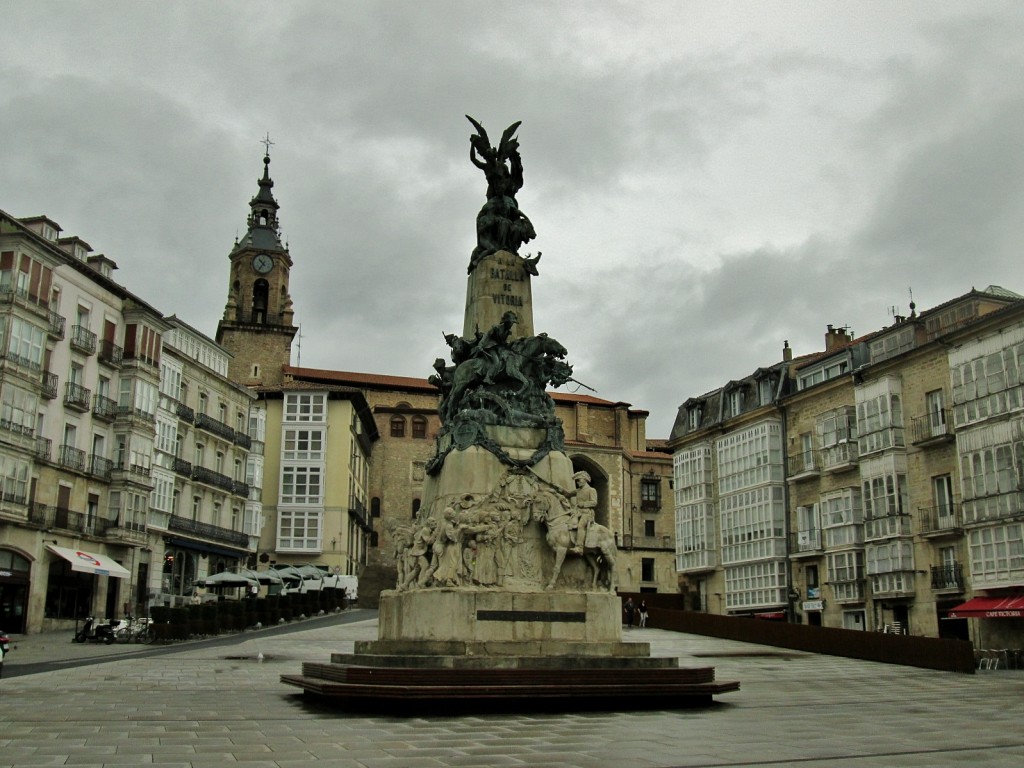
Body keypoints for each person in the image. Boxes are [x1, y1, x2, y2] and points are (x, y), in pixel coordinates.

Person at [570, 471, 597, 554]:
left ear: (585, 479)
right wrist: (558, 488)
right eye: (577, 481)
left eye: (579, 480)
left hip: (587, 513)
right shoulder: (578, 491)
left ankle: (579, 547)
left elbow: (594, 502)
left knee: (580, 526)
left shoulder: (591, 490)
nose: (578, 482)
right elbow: (567, 494)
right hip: (578, 512)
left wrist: (584, 504)